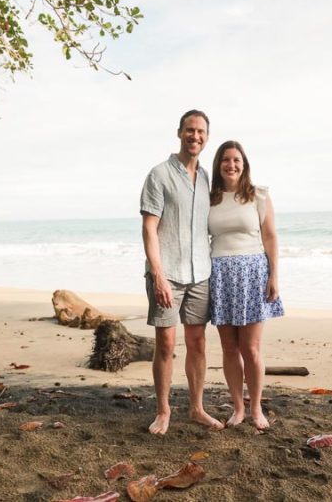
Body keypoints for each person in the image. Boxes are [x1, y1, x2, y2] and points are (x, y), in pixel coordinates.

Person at [139, 109, 224, 435]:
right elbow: (149, 229)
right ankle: (163, 411)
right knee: (166, 345)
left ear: (206, 137)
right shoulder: (159, 175)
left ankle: (197, 409)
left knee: (198, 343)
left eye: (201, 131)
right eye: (190, 130)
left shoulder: (206, 179)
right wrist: (158, 274)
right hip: (168, 273)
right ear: (179, 133)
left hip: (200, 273)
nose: (195, 136)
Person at [208, 140, 284, 430]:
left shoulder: (258, 196)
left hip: (253, 275)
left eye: (237, 160)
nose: (231, 165)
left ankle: (256, 409)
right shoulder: (209, 198)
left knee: (250, 348)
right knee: (229, 348)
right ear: (218, 165)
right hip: (221, 276)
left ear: (244, 164)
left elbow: (271, 237)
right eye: (226, 160)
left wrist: (274, 275)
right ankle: (238, 408)